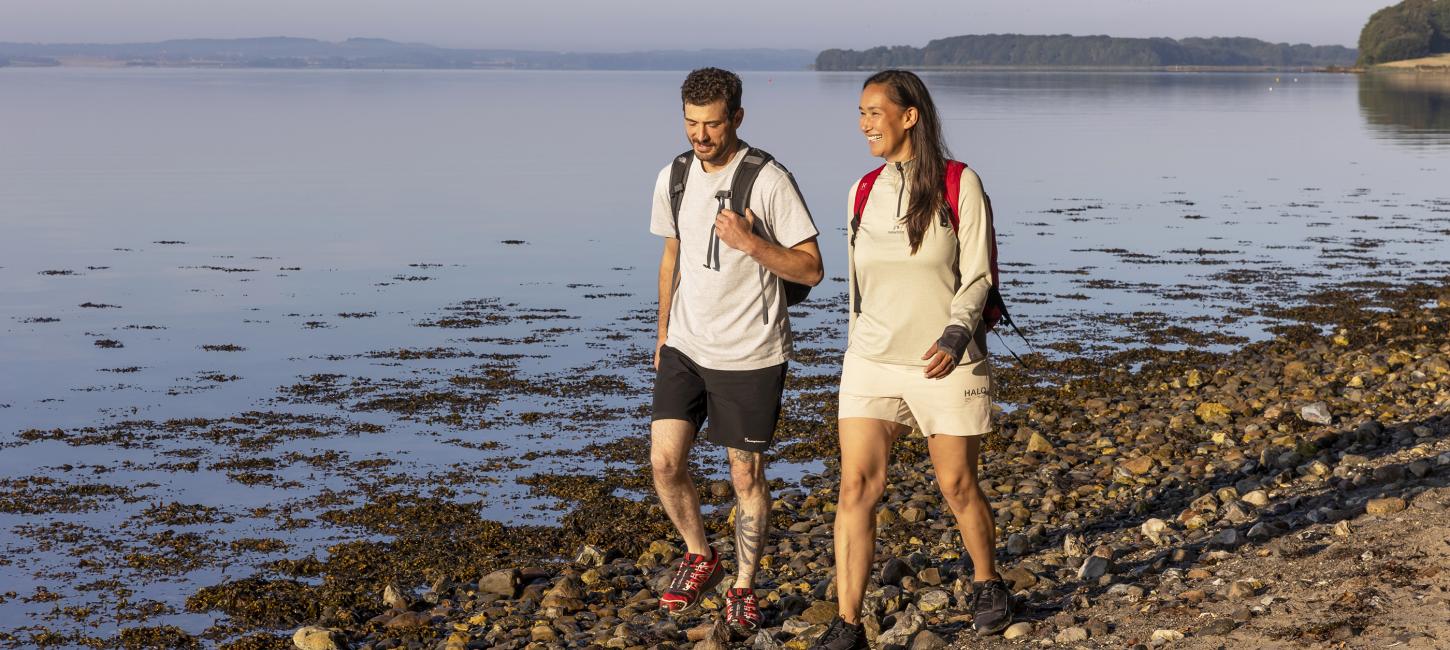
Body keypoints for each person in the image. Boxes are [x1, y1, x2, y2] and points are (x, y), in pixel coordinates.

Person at [814, 70, 1013, 649]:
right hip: (872, 360)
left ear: (909, 116)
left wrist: (956, 336)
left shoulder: (960, 183)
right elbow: (857, 285)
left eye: (874, 112)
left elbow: (978, 273)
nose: (863, 123)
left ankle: (987, 581)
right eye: (860, 112)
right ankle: (848, 624)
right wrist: (857, 347)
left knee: (956, 485)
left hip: (945, 361)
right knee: (856, 487)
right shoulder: (861, 190)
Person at [648, 67, 824, 636]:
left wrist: (750, 241)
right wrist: (662, 333)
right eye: (691, 123)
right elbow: (672, 257)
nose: (700, 136)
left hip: (751, 352)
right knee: (665, 462)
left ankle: (743, 589)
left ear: (738, 118)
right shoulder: (673, 175)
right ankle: (701, 555)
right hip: (685, 346)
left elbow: (813, 268)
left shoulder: (768, 179)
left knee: (745, 478)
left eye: (712, 124)